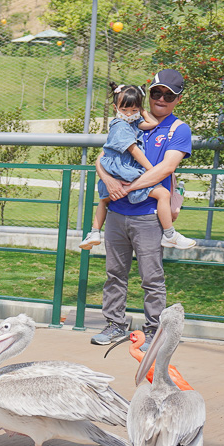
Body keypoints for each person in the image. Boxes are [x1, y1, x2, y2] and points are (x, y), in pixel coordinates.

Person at [91, 69, 193, 350]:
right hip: (117, 213)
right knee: (115, 273)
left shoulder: (178, 129)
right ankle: (114, 324)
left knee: (151, 277)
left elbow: (166, 167)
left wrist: (127, 187)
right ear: (149, 93)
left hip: (148, 215)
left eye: (168, 95)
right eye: (156, 92)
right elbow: (102, 158)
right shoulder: (129, 119)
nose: (161, 99)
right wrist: (109, 180)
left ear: (178, 99)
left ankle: (153, 331)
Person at [79, 82, 195, 251]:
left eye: (133, 110)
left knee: (104, 199)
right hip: (125, 174)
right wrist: (150, 169)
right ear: (115, 108)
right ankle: (170, 234)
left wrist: (140, 112)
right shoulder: (121, 127)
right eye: (156, 93)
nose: (129, 114)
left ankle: (95, 231)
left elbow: (152, 124)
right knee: (162, 193)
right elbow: (134, 151)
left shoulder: (132, 123)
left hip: (134, 196)